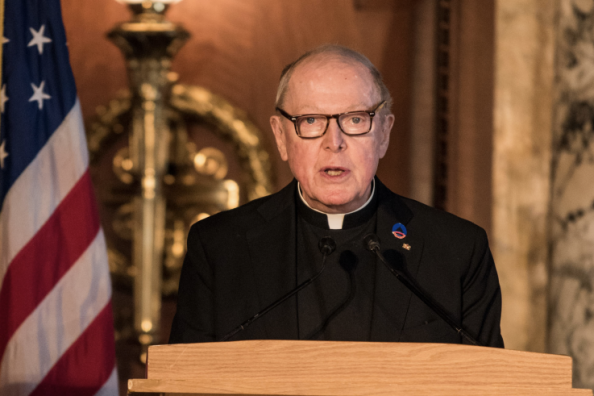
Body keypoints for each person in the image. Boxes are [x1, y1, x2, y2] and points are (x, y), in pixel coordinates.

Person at [169, 45, 504, 347]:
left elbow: (487, 382)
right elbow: (186, 380)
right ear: (281, 137)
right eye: (311, 120)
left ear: (384, 133)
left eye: (355, 119)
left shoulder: (457, 251)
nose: (335, 141)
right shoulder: (221, 249)